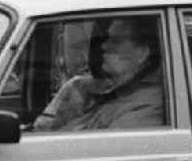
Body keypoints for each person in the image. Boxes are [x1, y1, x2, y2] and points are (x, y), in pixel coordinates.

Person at [33, 17, 163, 131]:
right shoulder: (85, 88)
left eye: (115, 41)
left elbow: (105, 150)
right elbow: (43, 128)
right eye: (107, 39)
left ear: (142, 53)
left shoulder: (148, 103)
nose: (104, 46)